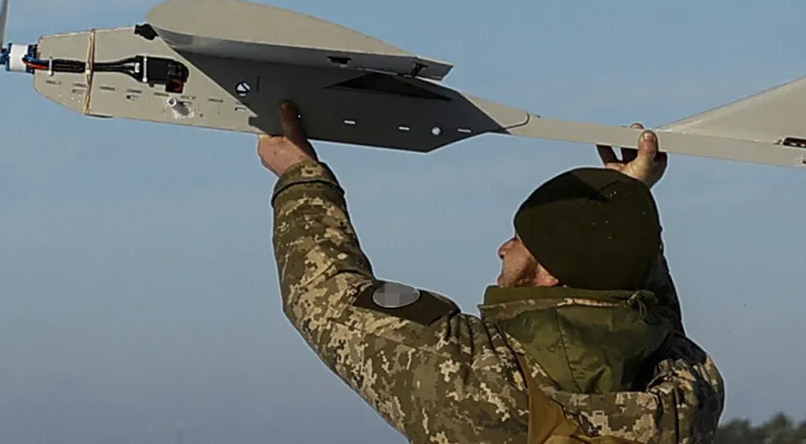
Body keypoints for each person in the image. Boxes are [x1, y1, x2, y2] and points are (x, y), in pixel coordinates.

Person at [260, 100, 724, 443]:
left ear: (550, 273)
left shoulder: (471, 381)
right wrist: (621, 207)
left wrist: (300, 174)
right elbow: (647, 308)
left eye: (520, 241)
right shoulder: (686, 400)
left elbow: (324, 297)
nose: (503, 249)